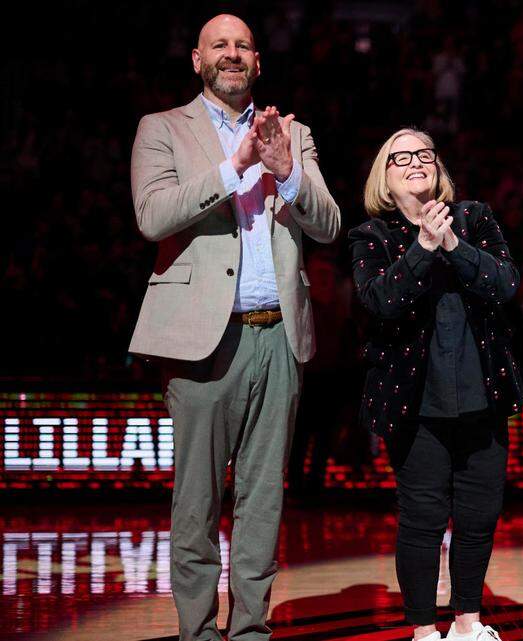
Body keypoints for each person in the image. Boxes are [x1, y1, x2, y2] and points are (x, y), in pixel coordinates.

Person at [128, 14, 341, 641]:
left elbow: (327, 225)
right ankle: (197, 633)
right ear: (197, 59)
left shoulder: (292, 132)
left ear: (258, 62)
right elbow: (154, 216)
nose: (231, 54)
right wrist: (234, 166)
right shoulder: (162, 128)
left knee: (263, 501)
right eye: (218, 45)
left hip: (278, 335)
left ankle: (250, 631)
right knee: (196, 503)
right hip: (203, 338)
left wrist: (286, 170)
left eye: (243, 45)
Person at [349, 128, 523, 641]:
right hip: (414, 404)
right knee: (423, 519)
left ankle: (468, 622)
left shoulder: (474, 217)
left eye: (423, 154)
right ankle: (425, 631)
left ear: (438, 167)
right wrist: (424, 249)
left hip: (482, 396)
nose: (414, 163)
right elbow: (379, 302)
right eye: (399, 158)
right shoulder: (372, 236)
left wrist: (452, 242)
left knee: (479, 515)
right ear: (384, 176)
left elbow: (506, 283)